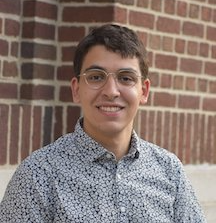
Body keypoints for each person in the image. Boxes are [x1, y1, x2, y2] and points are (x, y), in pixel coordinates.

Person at [0, 24, 206, 222]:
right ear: (76, 89)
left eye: (126, 78)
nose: (111, 91)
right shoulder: (38, 174)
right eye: (96, 77)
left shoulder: (170, 170)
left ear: (143, 91)